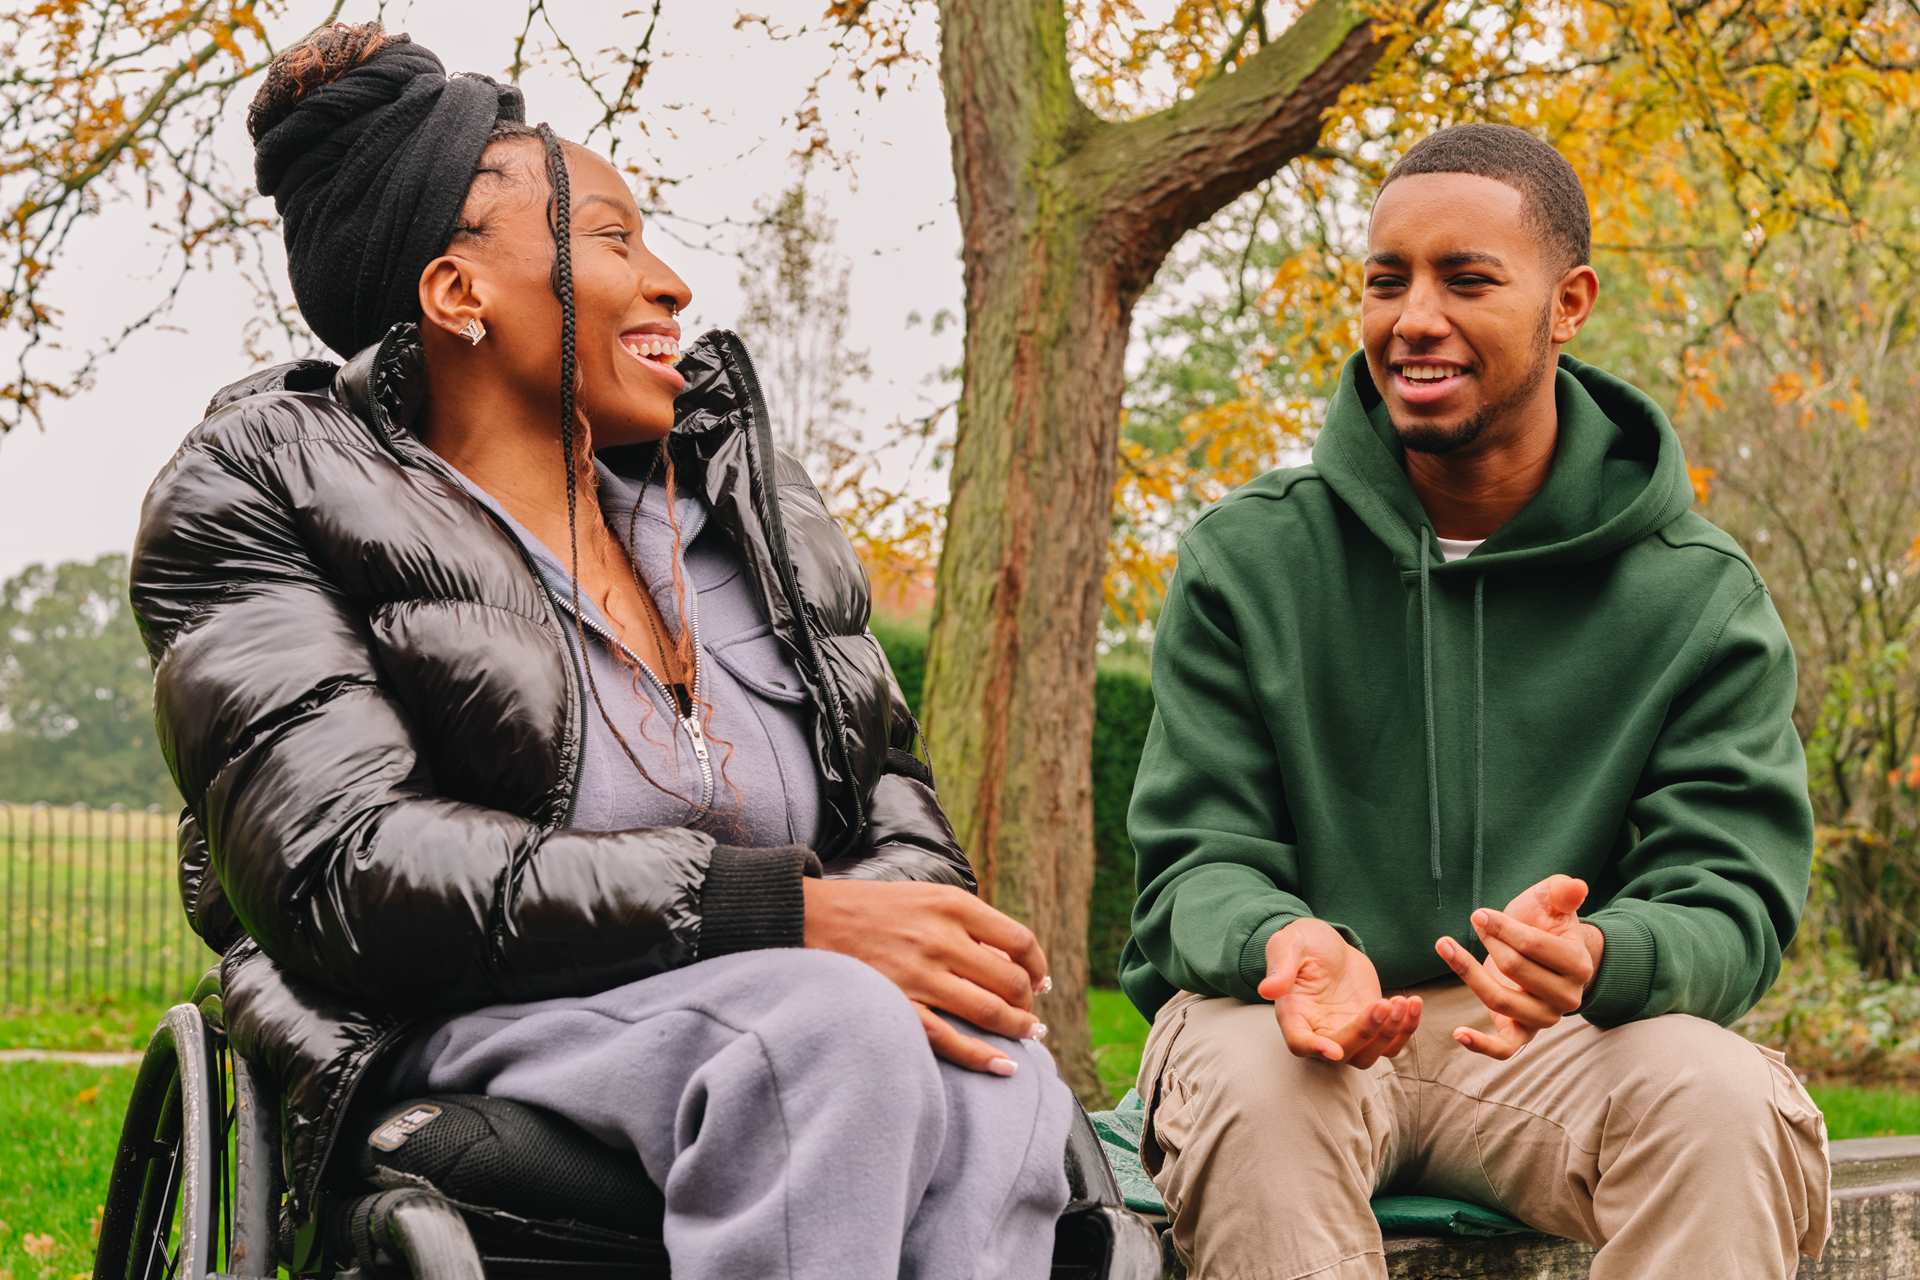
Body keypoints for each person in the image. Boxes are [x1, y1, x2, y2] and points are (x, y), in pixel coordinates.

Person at [127, 22, 1073, 1280]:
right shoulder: (266, 488)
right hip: (466, 1017)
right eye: (617, 241)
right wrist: (775, 911)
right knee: (831, 1030)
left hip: (775, 1001)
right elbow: (341, 869)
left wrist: (916, 921)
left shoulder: (735, 503)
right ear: (460, 293)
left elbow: (886, 790)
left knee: (997, 1072)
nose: (674, 283)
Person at [1122, 123, 1832, 1279]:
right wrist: (1288, 941)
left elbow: (1734, 892)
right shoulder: (1248, 561)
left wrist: (1607, 949)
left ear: (1569, 302)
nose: (1414, 317)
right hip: (1286, 1030)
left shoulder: (1695, 595)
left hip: (1545, 1045)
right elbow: (1194, 864)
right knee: (1259, 1090)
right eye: (1386, 279)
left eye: (1468, 278)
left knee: (1726, 1103)